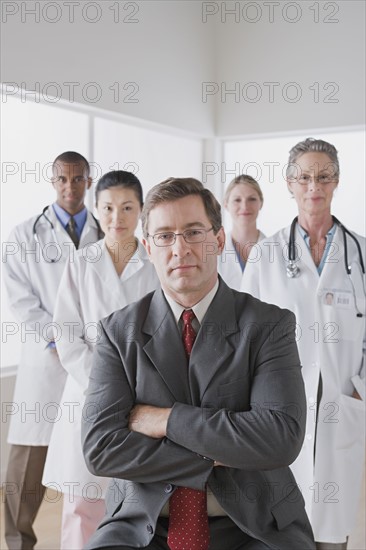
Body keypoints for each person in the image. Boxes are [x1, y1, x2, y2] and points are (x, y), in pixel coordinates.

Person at [81, 177, 315, 550]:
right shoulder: (117, 332)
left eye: (193, 232)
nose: (180, 248)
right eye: (164, 236)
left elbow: (279, 439)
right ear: (148, 247)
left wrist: (163, 420)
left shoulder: (270, 325)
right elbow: (102, 447)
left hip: (255, 526)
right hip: (144, 525)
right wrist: (222, 451)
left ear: (219, 240)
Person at [241, 138, 365, 549]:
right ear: (290, 183)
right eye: (305, 176)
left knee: (331, 534)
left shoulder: (360, 254)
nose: (315, 185)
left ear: (337, 182)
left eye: (324, 176)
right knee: (281, 532)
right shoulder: (266, 254)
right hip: (278, 408)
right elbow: (245, 337)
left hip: (340, 407)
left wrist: (359, 391)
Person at [42, 170, 160, 549]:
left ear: (141, 211)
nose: (116, 217)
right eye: (108, 208)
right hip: (88, 395)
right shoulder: (81, 263)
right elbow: (67, 333)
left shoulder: (156, 264)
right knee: (82, 505)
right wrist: (106, 384)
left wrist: (133, 386)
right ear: (96, 209)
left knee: (136, 504)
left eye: (127, 207)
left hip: (144, 399)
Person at [2, 151, 102, 550]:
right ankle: (17, 542)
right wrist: (59, 339)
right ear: (52, 180)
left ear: (89, 182)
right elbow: (20, 299)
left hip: (91, 363)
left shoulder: (105, 231)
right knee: (27, 464)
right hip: (47, 362)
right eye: (62, 179)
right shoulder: (26, 235)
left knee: (90, 464)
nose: (70, 187)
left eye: (78, 179)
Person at [218, 174, 265, 290]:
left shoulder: (274, 249)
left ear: (261, 203)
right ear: (226, 204)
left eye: (252, 199)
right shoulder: (215, 252)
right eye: (237, 200)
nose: (244, 206)